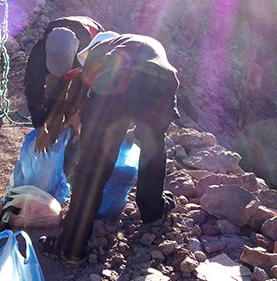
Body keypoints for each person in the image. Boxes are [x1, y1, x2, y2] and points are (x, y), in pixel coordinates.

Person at [40, 31, 180, 265]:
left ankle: (71, 248)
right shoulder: (141, 43)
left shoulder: (100, 51)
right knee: (153, 148)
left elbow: (86, 92)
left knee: (92, 165)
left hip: (117, 85)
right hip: (162, 84)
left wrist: (79, 120)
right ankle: (152, 210)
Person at [23, 16, 104, 173]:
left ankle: (68, 156)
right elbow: (33, 88)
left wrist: (78, 114)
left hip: (83, 68)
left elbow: (91, 89)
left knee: (74, 111)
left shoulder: (92, 48)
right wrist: (40, 127)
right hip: (67, 62)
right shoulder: (40, 49)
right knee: (53, 102)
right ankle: (50, 145)